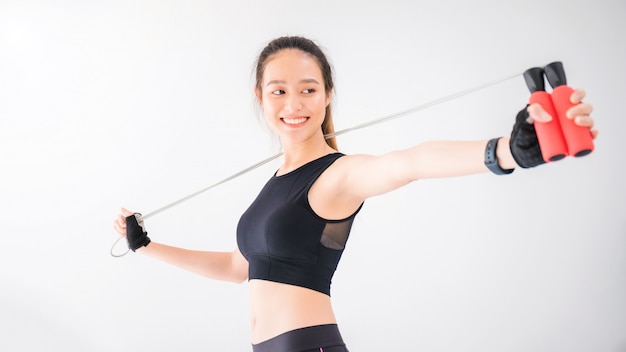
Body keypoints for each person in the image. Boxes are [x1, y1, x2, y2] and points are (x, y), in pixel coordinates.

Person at [113, 36, 597, 351]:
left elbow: (409, 163)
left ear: (326, 96)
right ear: (260, 98)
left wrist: (504, 152)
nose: (293, 103)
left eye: (307, 89)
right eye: (278, 90)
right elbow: (238, 267)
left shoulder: (338, 176)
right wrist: (148, 247)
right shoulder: (272, 187)